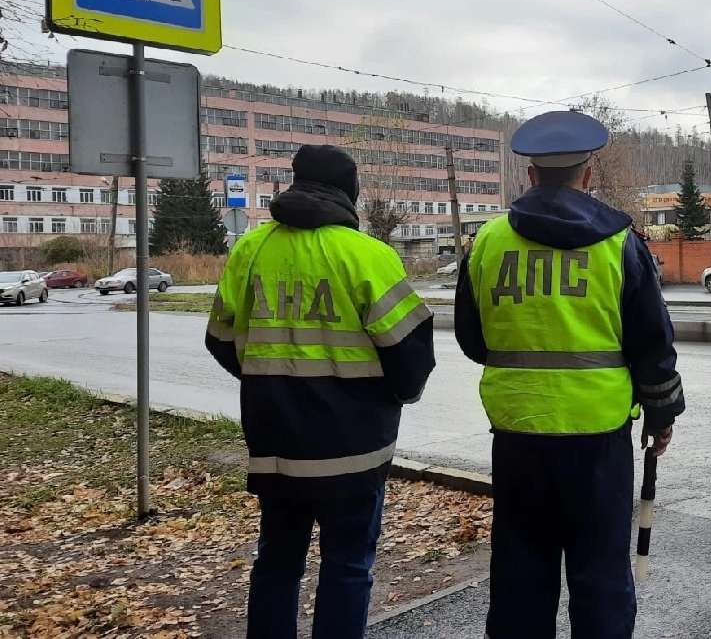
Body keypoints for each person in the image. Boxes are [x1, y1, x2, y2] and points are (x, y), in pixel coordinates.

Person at [454, 111, 685, 638]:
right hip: (598, 437)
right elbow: (652, 342)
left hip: (518, 433)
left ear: (531, 175)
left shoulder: (488, 242)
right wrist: (662, 413)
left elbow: (472, 339)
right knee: (600, 575)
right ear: (588, 174)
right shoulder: (619, 242)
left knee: (520, 573)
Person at [205, 145, 436, 639]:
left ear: (296, 183)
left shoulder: (250, 249)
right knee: (348, 564)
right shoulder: (368, 255)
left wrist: (267, 383)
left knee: (277, 561)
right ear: (351, 191)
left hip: (276, 445)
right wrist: (394, 397)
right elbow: (411, 352)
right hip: (354, 448)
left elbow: (220, 340)